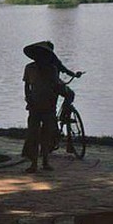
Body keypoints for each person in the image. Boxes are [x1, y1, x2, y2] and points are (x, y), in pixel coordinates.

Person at [21, 41, 82, 173]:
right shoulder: (30, 68)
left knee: (46, 135)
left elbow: (56, 84)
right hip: (36, 106)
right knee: (34, 134)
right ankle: (34, 163)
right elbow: (27, 86)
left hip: (48, 106)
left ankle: (44, 162)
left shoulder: (52, 68)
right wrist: (28, 98)